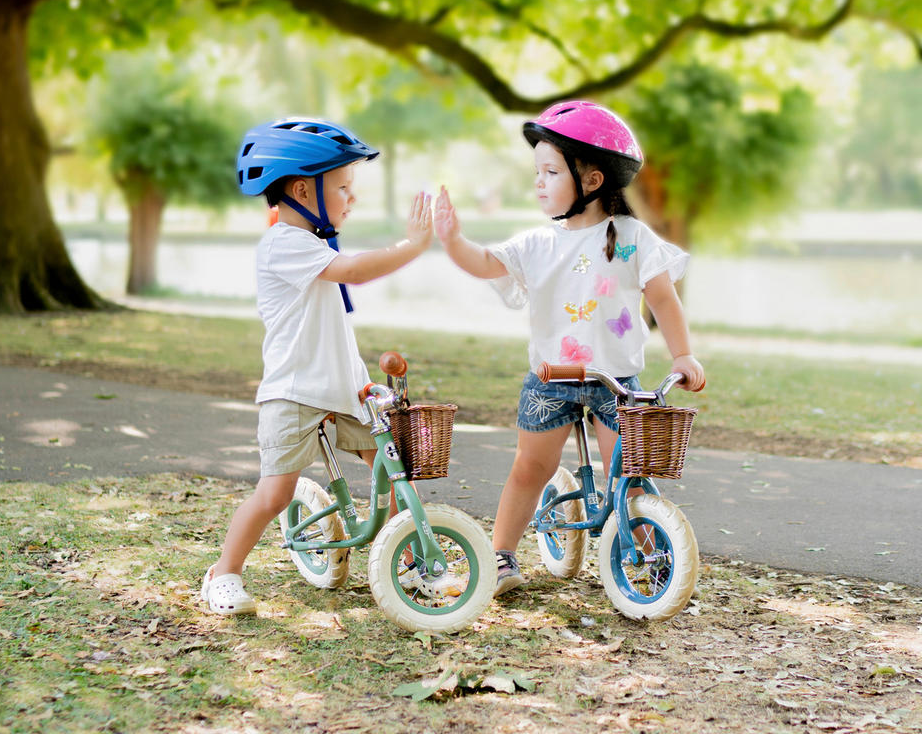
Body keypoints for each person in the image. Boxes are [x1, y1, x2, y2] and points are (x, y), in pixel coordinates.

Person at [433, 100, 707, 597]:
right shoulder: (538, 244)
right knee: (530, 468)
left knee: (631, 474)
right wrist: (454, 241)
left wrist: (682, 354)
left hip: (616, 383)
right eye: (536, 172)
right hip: (551, 381)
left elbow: (663, 298)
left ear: (592, 181)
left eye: (551, 172)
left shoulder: (631, 237)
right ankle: (501, 553)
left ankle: (652, 556)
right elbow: (486, 262)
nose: (539, 182)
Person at [201, 118, 436, 615]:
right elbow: (353, 271)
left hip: (347, 389)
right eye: (343, 187)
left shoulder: (315, 244)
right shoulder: (283, 243)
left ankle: (413, 562)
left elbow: (332, 320)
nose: (352, 198)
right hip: (293, 392)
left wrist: (361, 382)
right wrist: (412, 246)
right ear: (303, 189)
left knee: (396, 472)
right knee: (274, 494)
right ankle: (223, 573)